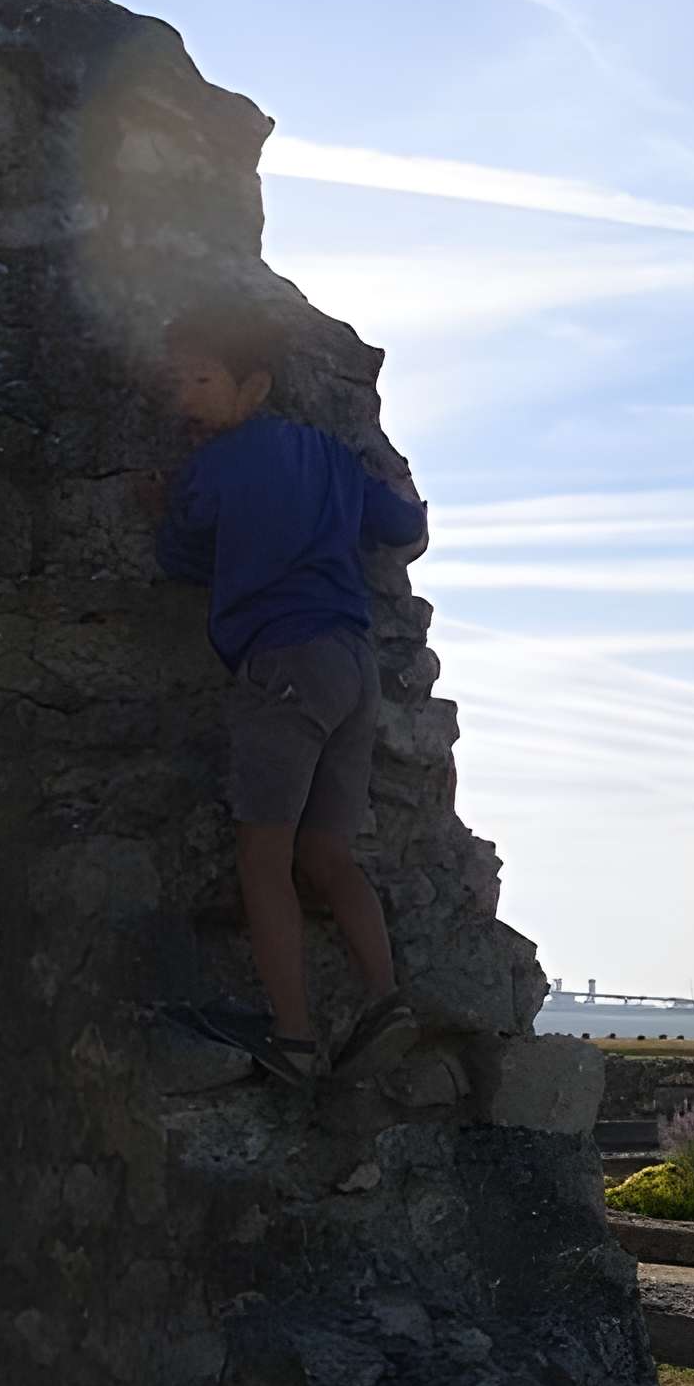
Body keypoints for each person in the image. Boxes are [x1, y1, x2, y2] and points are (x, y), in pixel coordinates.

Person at [145, 308, 429, 1087]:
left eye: (200, 381)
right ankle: (384, 1002)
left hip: (283, 662)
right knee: (326, 853)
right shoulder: (333, 457)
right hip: (353, 666)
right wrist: (398, 478)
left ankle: (296, 1038)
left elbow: (178, 554)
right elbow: (403, 525)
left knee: (262, 860)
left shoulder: (215, 466)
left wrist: (163, 503)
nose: (185, 399)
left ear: (255, 387)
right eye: (178, 384)